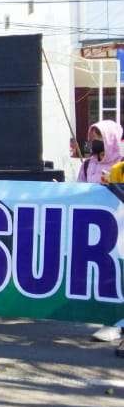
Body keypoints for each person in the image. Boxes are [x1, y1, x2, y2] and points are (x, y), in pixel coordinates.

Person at [78, 120, 124, 345]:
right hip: (96, 232)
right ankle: (109, 320)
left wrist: (113, 184)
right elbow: (78, 191)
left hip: (121, 230)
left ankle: (116, 324)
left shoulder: (122, 164)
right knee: (103, 275)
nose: (93, 142)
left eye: (99, 137)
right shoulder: (87, 165)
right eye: (92, 136)